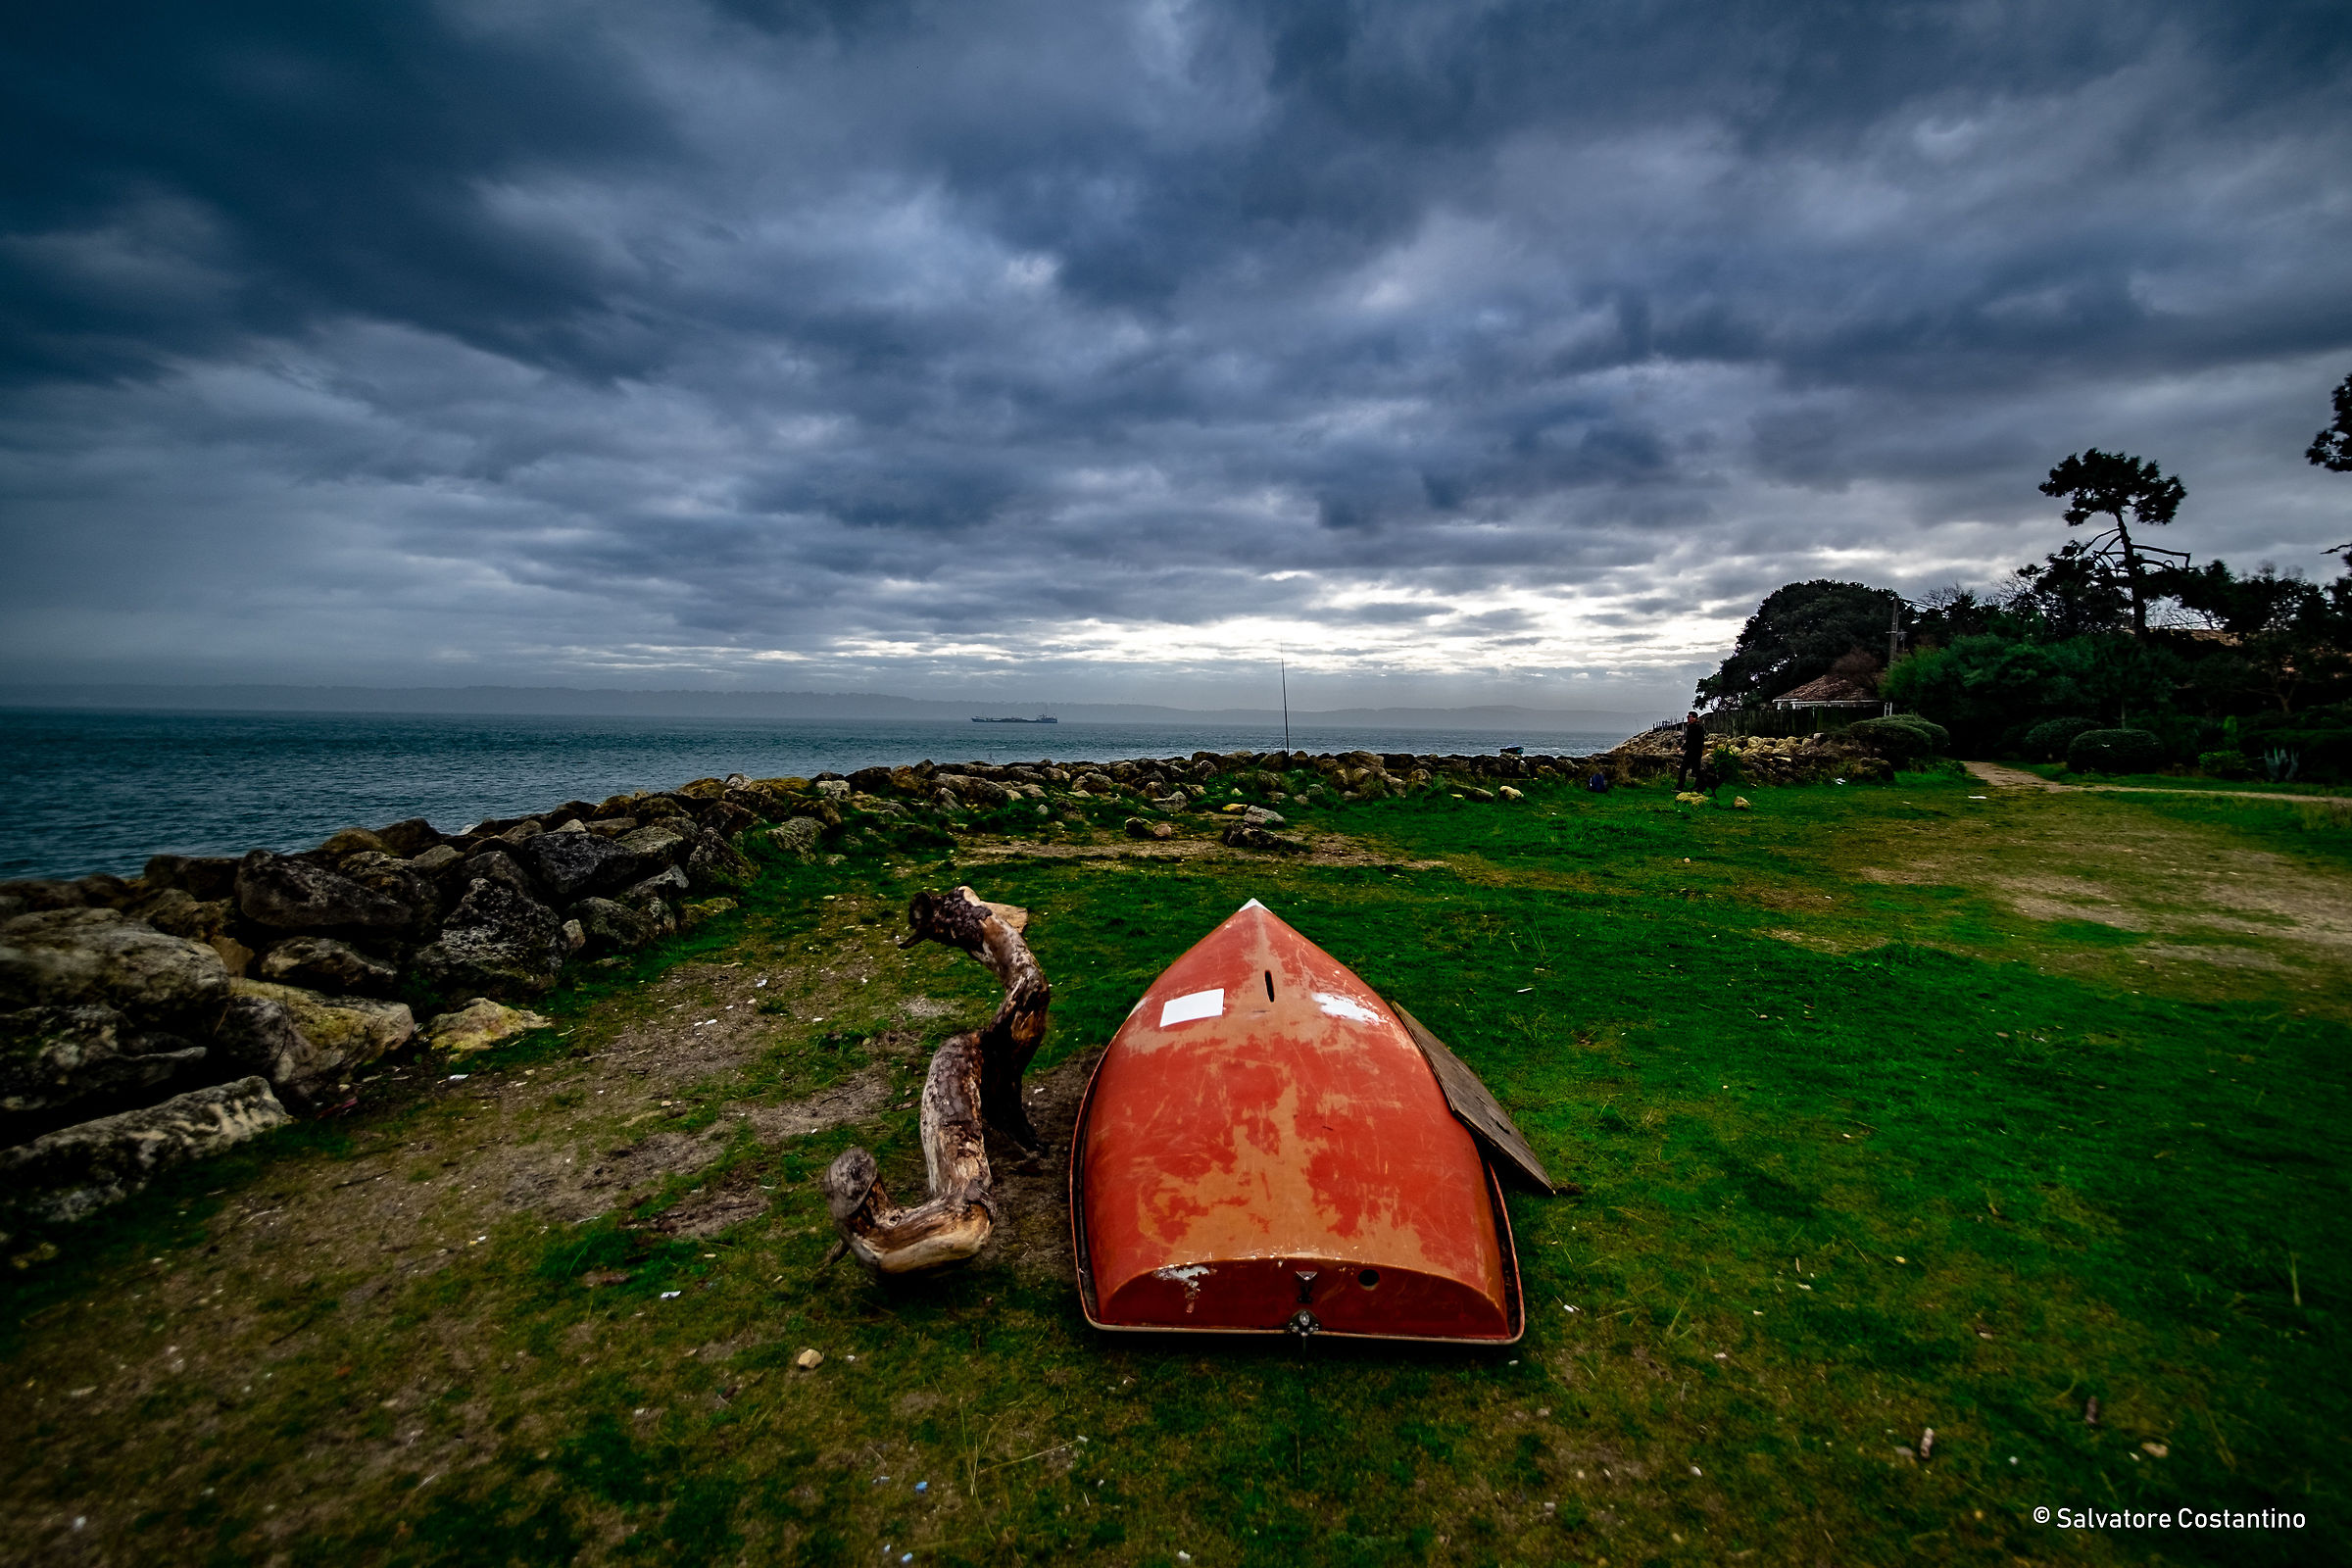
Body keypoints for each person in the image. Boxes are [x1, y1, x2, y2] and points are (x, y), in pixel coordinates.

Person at [1675, 710, 1707, 789]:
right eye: (1688, 717)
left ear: (1695, 718)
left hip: (1693, 752)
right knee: (1695, 770)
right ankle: (1700, 786)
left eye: (1689, 717)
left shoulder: (1693, 728)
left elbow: (1691, 741)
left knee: (1685, 769)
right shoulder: (1698, 727)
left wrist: (1682, 748)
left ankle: (1680, 787)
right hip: (1695, 751)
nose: (1688, 719)